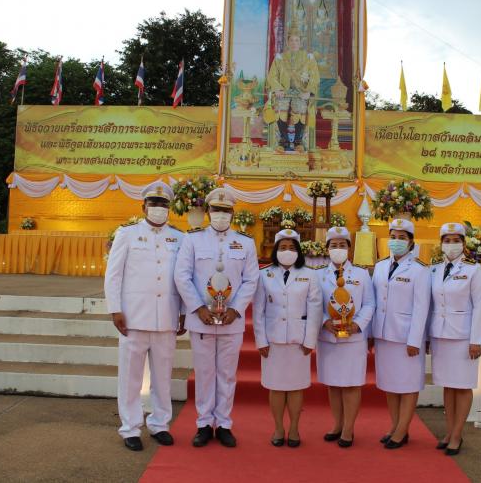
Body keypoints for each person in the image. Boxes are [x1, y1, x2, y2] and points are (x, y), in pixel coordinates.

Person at [104, 181, 186, 452]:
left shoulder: (179, 238)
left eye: (163, 204)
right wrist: (115, 309)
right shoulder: (127, 234)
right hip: (133, 318)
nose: (158, 208)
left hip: (166, 318)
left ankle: (160, 424)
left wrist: (184, 312)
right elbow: (113, 275)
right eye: (154, 203)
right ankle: (130, 427)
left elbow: (183, 279)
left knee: (163, 377)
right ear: (143, 206)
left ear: (169, 208)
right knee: (130, 377)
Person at [174, 188, 259, 448]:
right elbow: (182, 275)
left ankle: (223, 424)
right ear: (208, 211)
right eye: (216, 210)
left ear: (232, 213)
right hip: (202, 318)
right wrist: (198, 307)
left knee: (227, 374)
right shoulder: (193, 240)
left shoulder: (245, 242)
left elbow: (251, 279)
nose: (220, 215)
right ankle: (203, 423)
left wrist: (237, 309)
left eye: (225, 211)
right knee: (204, 373)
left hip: (231, 320)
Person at [253, 229, 322, 448]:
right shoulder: (264, 274)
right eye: (283, 247)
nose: (287, 251)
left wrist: (310, 340)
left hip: (298, 341)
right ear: (275, 250)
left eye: (292, 247)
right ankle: (278, 428)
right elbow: (258, 311)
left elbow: (315, 310)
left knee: (295, 387)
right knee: (275, 387)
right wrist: (261, 340)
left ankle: (293, 428)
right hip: (272, 340)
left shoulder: (310, 275)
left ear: (298, 251)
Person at [371, 218, 431, 449]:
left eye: (402, 238)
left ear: (411, 242)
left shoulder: (420, 270)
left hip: (407, 337)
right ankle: (395, 426)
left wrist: (415, 339)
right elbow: (374, 301)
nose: (396, 241)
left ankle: (402, 429)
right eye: (393, 237)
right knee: (391, 384)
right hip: (384, 334)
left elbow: (422, 307)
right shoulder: (380, 266)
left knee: (408, 385)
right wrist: (372, 333)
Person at [429, 222, 481, 456]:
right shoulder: (434, 269)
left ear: (463, 244)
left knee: (462, 386)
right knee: (448, 385)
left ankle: (457, 434)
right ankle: (449, 431)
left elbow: (480, 306)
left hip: (463, 337)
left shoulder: (473, 270)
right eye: (447, 240)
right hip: (440, 335)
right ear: (441, 243)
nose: (451, 245)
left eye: (456, 241)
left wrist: (476, 340)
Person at [316, 226, 375, 448]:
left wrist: (357, 324)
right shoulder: (318, 274)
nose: (338, 249)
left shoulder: (361, 274)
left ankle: (349, 429)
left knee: (351, 384)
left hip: (353, 338)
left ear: (349, 249)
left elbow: (369, 303)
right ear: (327, 248)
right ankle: (337, 424)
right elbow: (314, 303)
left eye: (342, 245)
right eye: (334, 245)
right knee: (333, 384)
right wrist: (325, 321)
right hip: (329, 337)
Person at [266, 22, 320, 153]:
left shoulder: (308, 58)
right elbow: (272, 76)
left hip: (301, 92)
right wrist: (277, 89)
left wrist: (308, 92)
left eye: (297, 40)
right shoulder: (280, 58)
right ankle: (283, 140)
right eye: (291, 40)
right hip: (284, 92)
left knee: (300, 106)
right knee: (280, 106)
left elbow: (315, 77)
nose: (294, 43)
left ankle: (298, 141)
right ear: (287, 42)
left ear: (300, 42)